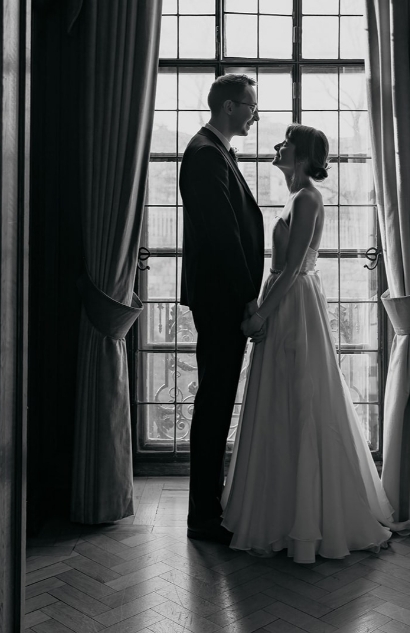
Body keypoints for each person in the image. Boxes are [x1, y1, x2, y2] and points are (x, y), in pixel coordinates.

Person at [221, 124, 410, 562]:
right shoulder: (294, 196)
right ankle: (279, 511)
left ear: (303, 155)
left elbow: (292, 268)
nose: (277, 146)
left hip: (294, 306)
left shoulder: (308, 198)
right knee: (279, 405)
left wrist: (262, 314)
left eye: (285, 144)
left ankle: (308, 518)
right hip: (283, 300)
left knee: (303, 402)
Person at [179, 74, 264, 544]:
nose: (255, 114)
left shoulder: (216, 151)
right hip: (220, 300)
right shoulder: (205, 154)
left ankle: (208, 507)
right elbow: (223, 234)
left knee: (215, 402)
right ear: (229, 106)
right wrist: (246, 296)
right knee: (213, 404)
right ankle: (202, 517)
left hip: (220, 297)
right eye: (251, 106)